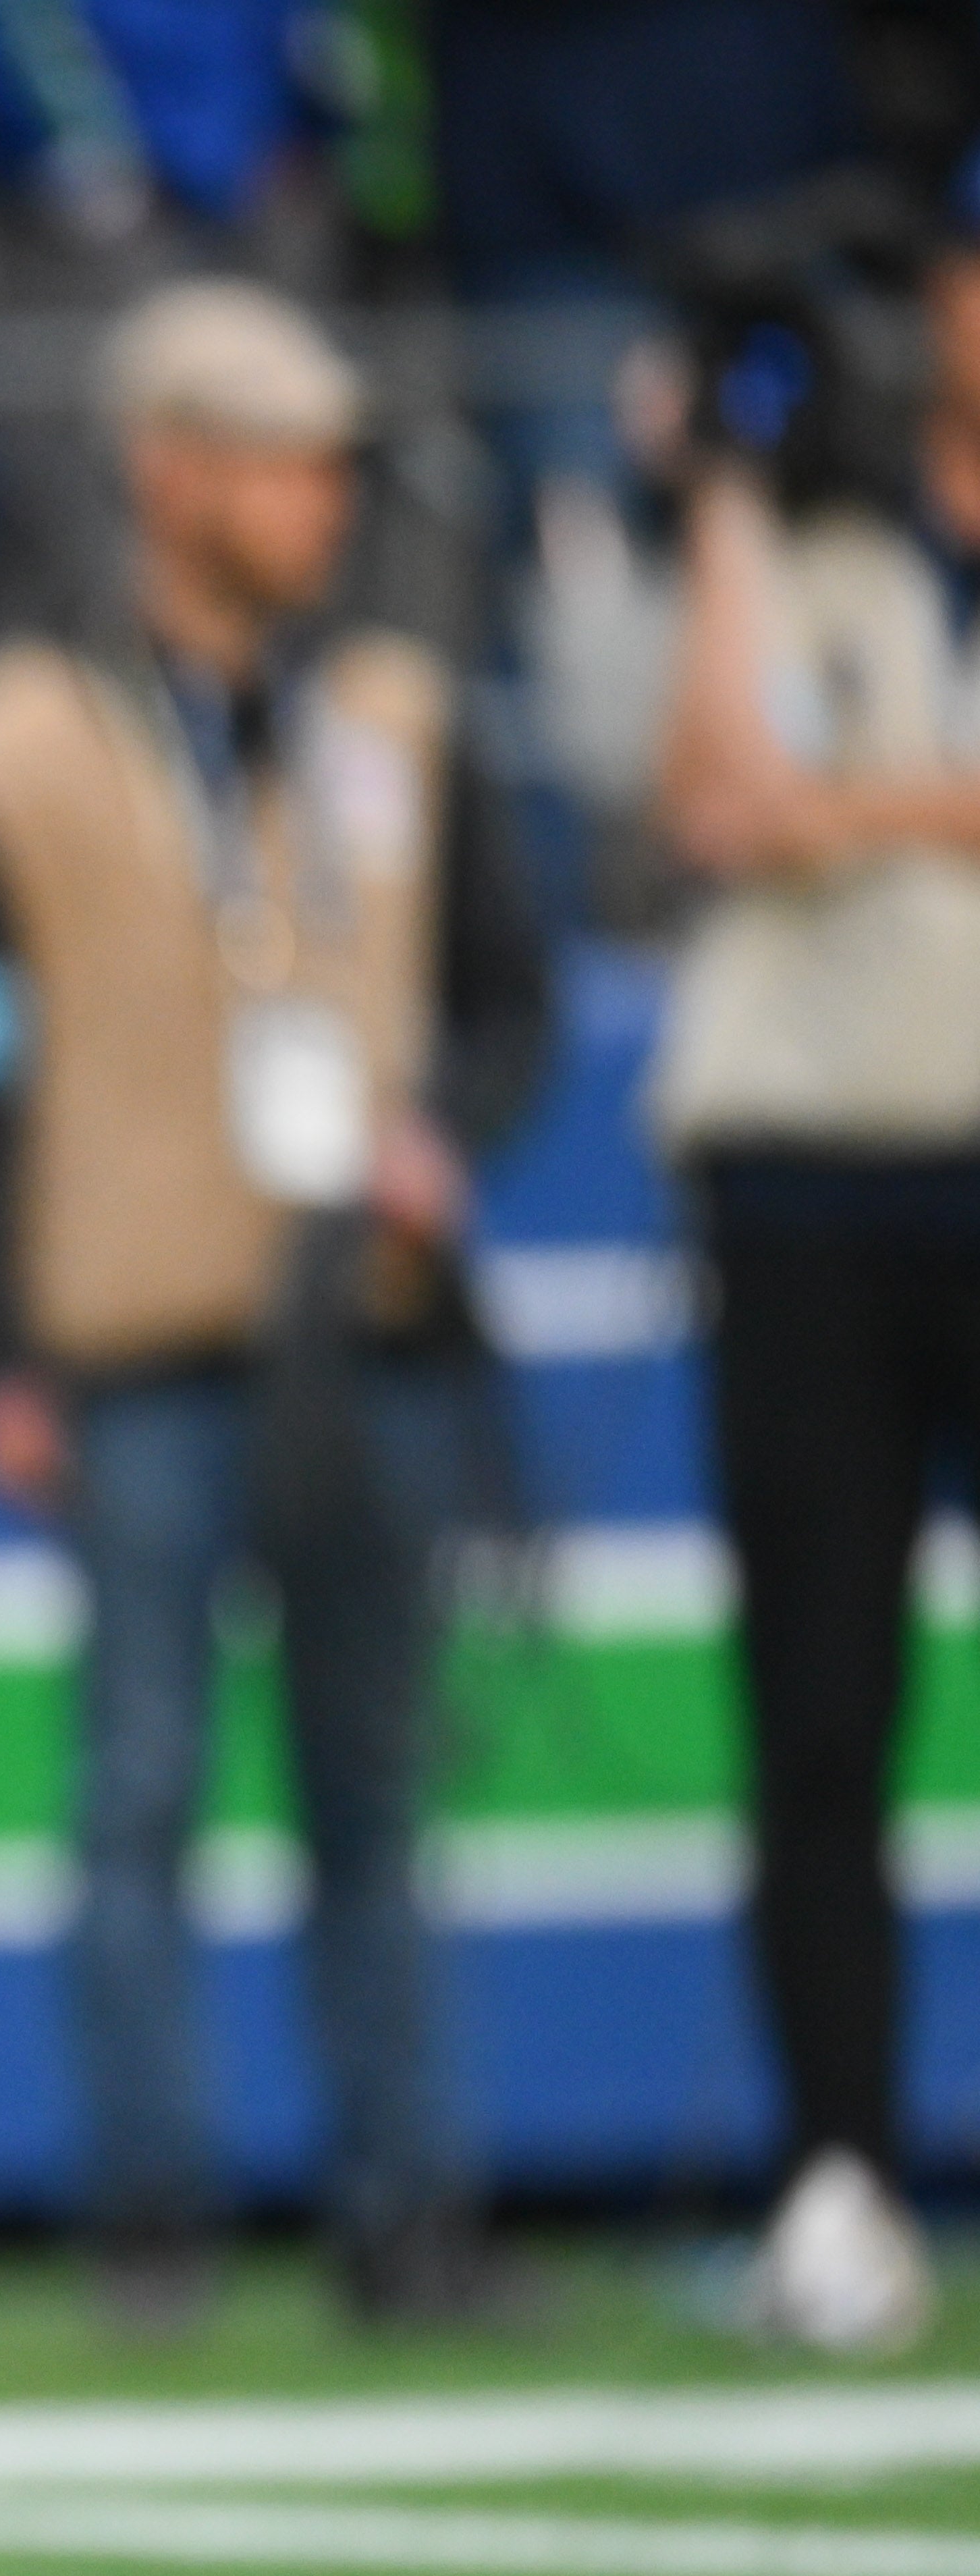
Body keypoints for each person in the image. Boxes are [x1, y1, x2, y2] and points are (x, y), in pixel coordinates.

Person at [0, 281, 553, 2331]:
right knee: (137, 1793)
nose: (324, 502)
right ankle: (151, 2215)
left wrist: (443, 1126)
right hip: (138, 1347)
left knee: (379, 1796)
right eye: (281, 463)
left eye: (334, 466)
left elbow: (511, 1000)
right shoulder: (7, 748)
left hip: (372, 1328)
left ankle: (407, 2215)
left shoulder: (401, 717)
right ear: (166, 470)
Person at [635, 205, 980, 2357]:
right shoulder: (812, 548)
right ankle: (836, 2179)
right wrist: (724, 487)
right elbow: (716, 800)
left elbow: (799, 813)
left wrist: (861, 811)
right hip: (805, 1191)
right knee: (821, 1707)